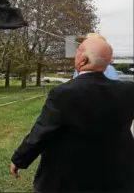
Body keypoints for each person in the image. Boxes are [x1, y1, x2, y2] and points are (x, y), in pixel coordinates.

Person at [10, 37, 134, 192]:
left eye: (78, 51)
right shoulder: (128, 91)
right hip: (117, 178)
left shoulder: (63, 93)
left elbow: (42, 131)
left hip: (69, 179)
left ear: (83, 60)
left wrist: (20, 159)